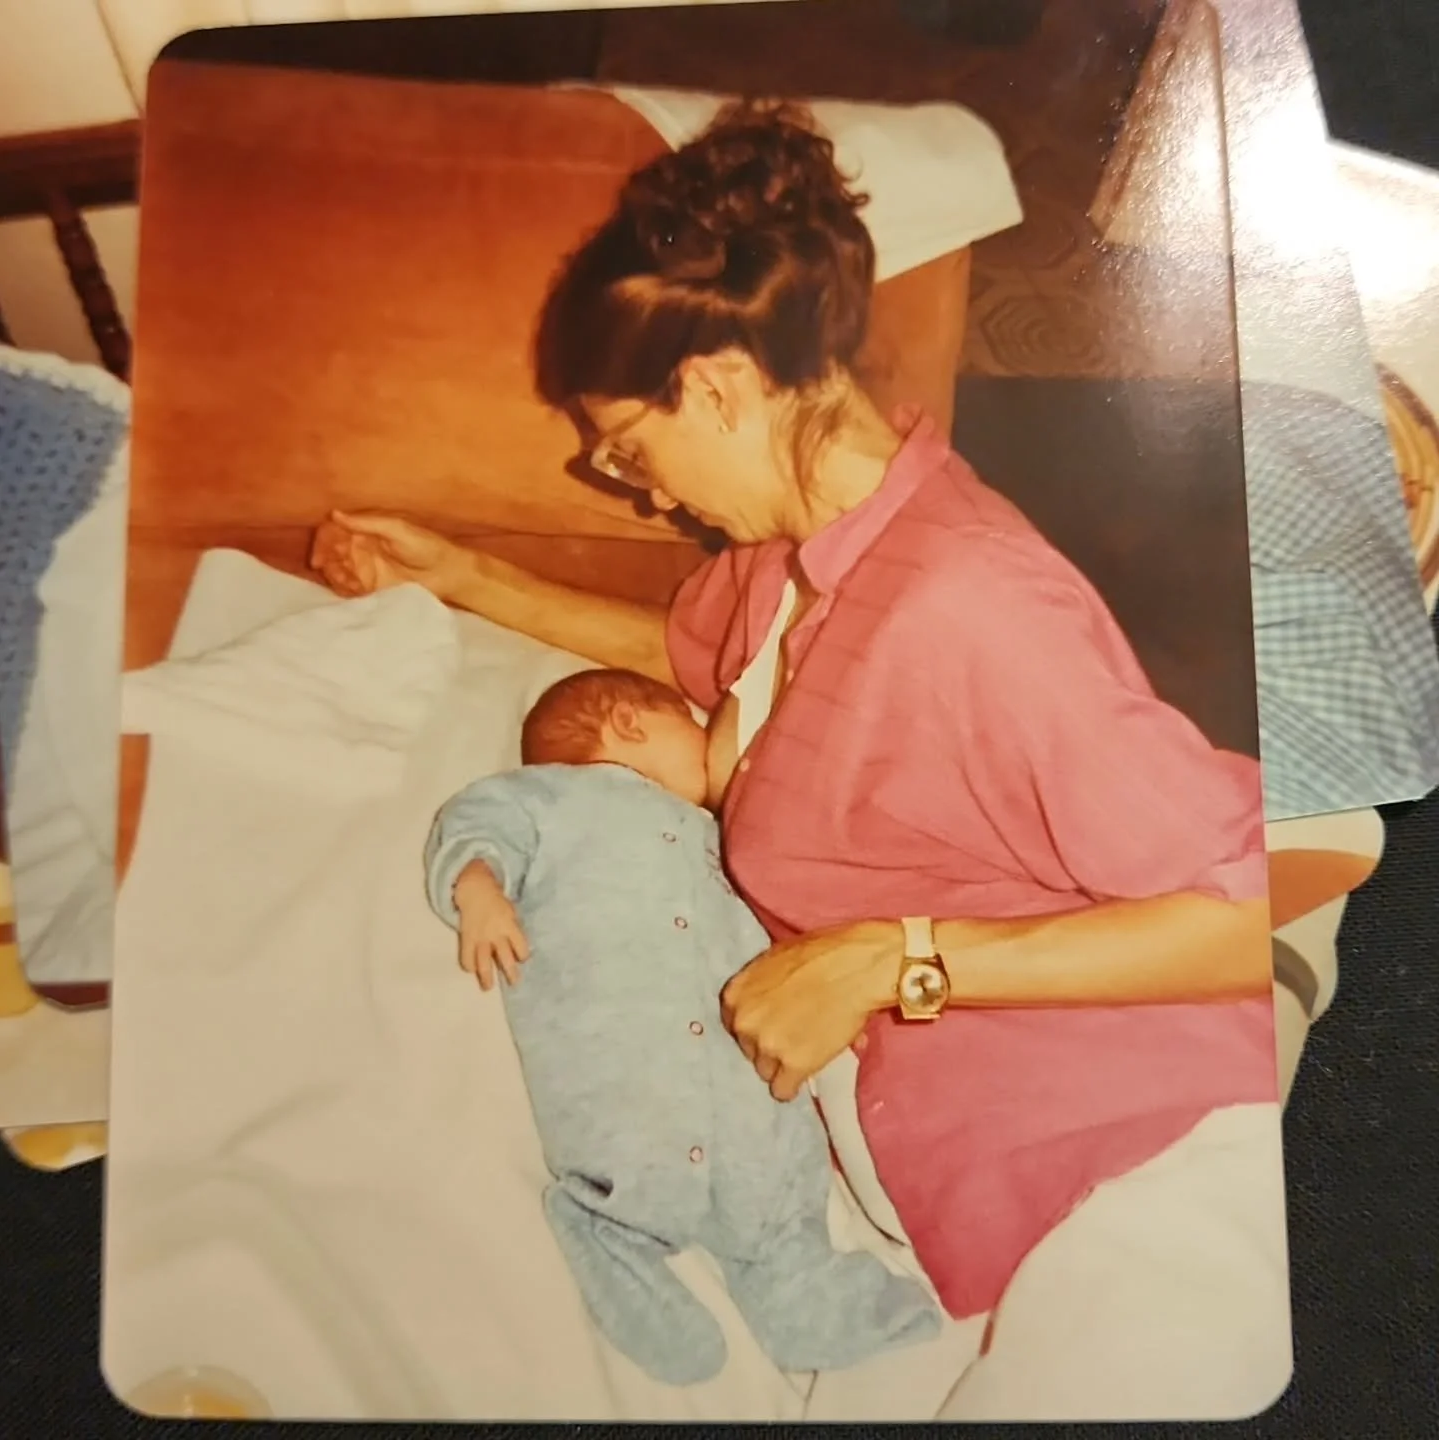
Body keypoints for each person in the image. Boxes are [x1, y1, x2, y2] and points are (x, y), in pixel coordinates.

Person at [313, 101, 1289, 1420]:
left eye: (628, 451)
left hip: (1126, 1168)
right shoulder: (784, 560)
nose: (637, 492)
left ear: (712, 388)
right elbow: (677, 655)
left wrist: (903, 958)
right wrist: (461, 577)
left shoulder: (973, 605)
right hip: (954, 1196)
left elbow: (1247, 913)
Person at [423, 666, 940, 1387]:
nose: (709, 747)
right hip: (618, 1049)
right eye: (693, 728)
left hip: (740, 1063)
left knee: (777, 1178)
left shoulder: (722, 836)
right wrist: (478, 889)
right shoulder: (553, 798)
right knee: (631, 1153)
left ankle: (796, 1283)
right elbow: (475, 825)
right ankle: (605, 1226)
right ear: (631, 726)